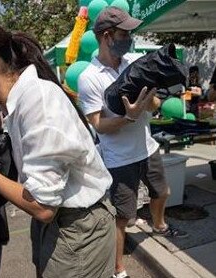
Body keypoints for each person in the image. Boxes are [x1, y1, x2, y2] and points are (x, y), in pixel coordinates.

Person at [0, 12, 116, 278]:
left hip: (77, 227)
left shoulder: (38, 101)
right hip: (60, 223)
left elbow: (43, 207)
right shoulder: (16, 104)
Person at [78, 7, 188, 278]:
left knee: (162, 193)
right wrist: (127, 118)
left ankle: (159, 225)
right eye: (124, 33)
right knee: (123, 216)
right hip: (119, 158)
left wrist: (150, 99)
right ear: (107, 36)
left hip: (147, 147)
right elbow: (99, 124)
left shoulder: (134, 63)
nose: (130, 37)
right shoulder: (89, 78)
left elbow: (154, 105)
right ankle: (118, 268)